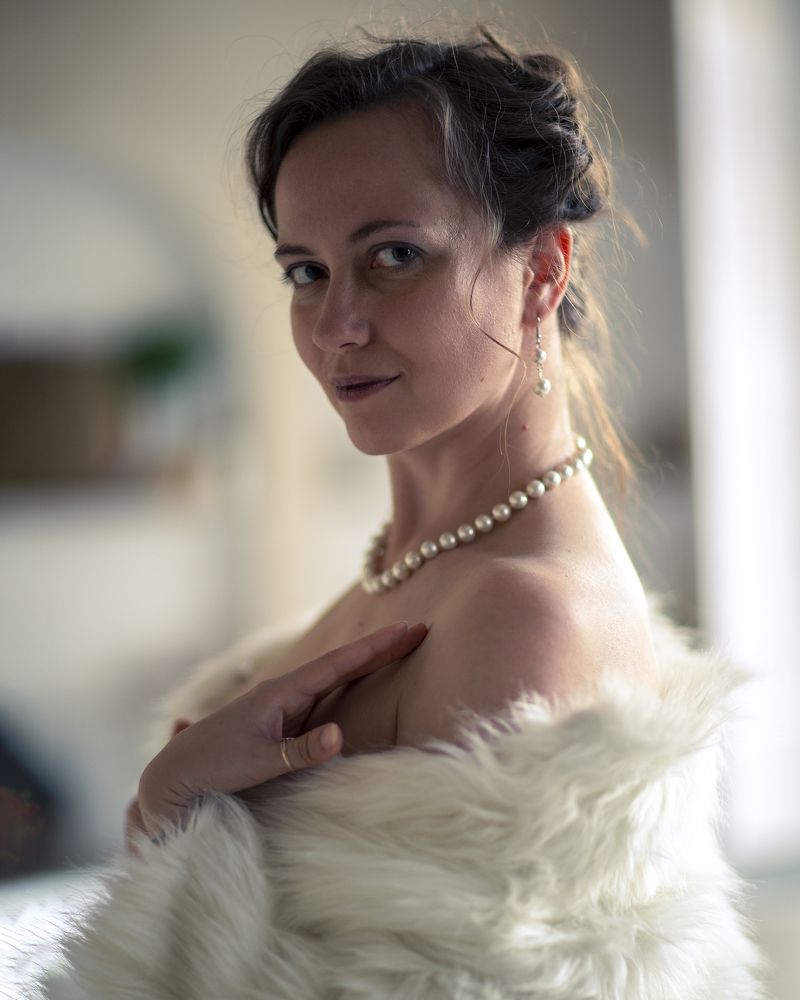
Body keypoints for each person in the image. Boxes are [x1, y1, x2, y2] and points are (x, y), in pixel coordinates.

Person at [36, 27, 767, 999]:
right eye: (305, 271)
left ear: (540, 272)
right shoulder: (418, 571)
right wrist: (165, 819)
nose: (336, 325)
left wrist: (170, 808)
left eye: (393, 255)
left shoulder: (521, 613)